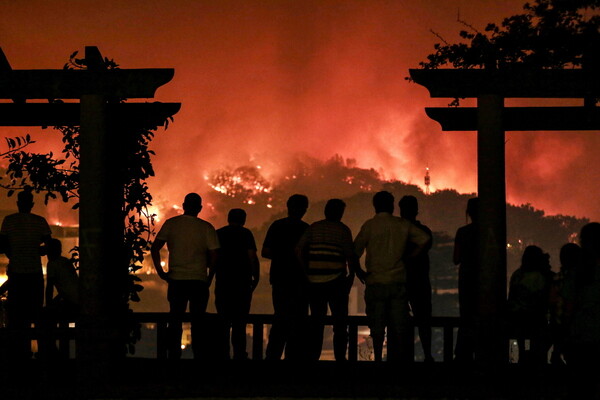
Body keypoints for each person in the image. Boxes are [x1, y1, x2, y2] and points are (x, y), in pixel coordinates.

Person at [354, 191, 430, 363]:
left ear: (375, 206)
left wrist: (359, 272)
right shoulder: (401, 224)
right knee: (399, 325)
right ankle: (400, 363)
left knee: (378, 326)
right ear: (392, 205)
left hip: (376, 282)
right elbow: (424, 239)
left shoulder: (369, 225)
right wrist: (410, 257)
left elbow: (354, 252)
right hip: (397, 282)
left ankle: (379, 359)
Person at [151, 193, 219, 360]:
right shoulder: (206, 227)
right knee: (198, 322)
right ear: (200, 208)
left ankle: (173, 358)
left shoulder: (171, 224)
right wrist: (209, 278)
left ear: (183, 205)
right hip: (199, 280)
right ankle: (199, 358)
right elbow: (216, 255)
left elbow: (155, 248)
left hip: (177, 280)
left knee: (175, 320)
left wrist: (161, 273)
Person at [296, 199, 362, 362]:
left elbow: (298, 249)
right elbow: (349, 255)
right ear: (340, 213)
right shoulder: (342, 229)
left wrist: (305, 271)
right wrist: (351, 275)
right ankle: (340, 358)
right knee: (340, 322)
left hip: (314, 281)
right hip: (336, 281)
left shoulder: (314, 227)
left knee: (317, 321)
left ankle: (313, 357)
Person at [0, 189, 52, 359]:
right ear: (31, 204)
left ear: (17, 203)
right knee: (35, 313)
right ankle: (41, 355)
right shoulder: (40, 222)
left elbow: (2, 245)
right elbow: (49, 246)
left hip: (16, 274)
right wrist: (37, 250)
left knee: (16, 317)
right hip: (34, 274)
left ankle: (18, 355)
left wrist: (13, 253)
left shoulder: (8, 221)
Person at [262, 194, 309, 361]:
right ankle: (294, 360)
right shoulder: (306, 229)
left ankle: (272, 358)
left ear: (288, 207)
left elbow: (265, 252)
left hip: (280, 279)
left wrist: (281, 256)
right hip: (300, 282)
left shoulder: (277, 226)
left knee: (280, 318)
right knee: (298, 321)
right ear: (305, 209)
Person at [215, 208, 260, 360]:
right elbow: (252, 257)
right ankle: (240, 355)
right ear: (243, 220)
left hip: (223, 283)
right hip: (242, 284)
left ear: (228, 218)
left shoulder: (219, 233)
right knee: (240, 323)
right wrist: (256, 277)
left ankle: (222, 354)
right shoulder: (246, 234)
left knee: (223, 321)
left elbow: (212, 257)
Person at [399, 195, 434, 363]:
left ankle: (403, 358)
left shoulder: (396, 232)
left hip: (400, 281)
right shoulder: (424, 232)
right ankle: (427, 355)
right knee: (424, 320)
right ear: (416, 211)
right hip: (420, 281)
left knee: (400, 320)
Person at [506, 245, 553, 365]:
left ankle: (523, 357)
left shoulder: (517, 275)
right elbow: (542, 299)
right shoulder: (539, 277)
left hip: (515, 318)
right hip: (534, 318)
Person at [40, 238, 78, 358]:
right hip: (76, 301)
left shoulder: (52, 264)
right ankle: (62, 352)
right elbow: (67, 288)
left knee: (45, 319)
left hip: (71, 303)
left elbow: (50, 287)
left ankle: (49, 351)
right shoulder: (65, 261)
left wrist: (48, 304)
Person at [452, 197, 479, 363]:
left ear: (468, 213)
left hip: (467, 277)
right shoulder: (490, 231)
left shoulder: (462, 232)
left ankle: (463, 353)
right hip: (483, 278)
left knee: (466, 316)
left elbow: (456, 258)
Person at [548, 242, 581, 365]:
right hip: (573, 325)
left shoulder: (557, 279)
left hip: (558, 322)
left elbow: (552, 302)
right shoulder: (579, 279)